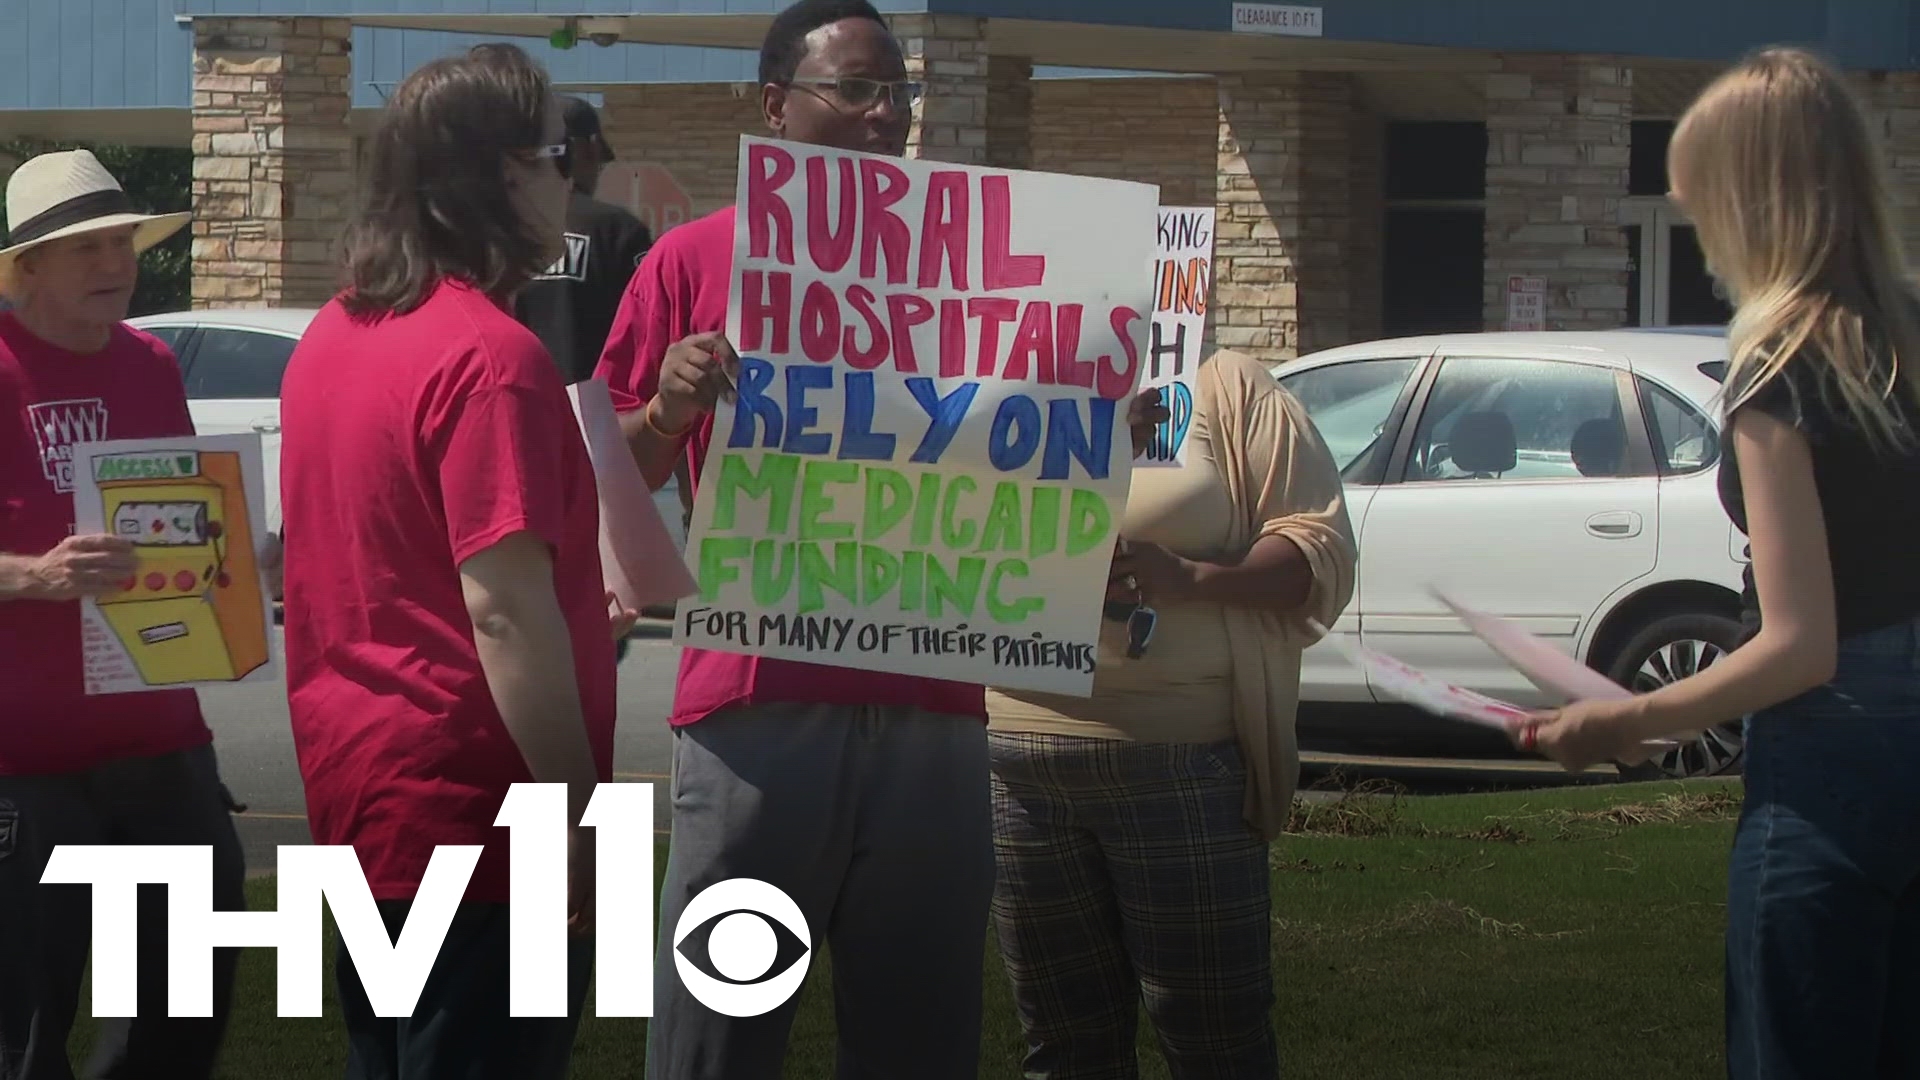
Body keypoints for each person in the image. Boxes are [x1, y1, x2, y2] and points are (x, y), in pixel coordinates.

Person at [592, 2, 1164, 1074]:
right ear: (775, 106)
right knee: (719, 1035)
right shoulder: (692, 260)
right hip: (758, 703)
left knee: (921, 1037)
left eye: (896, 91)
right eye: (853, 89)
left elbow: (1020, 457)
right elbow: (616, 475)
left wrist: (1092, 429)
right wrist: (666, 409)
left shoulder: (990, 269)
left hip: (936, 705)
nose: (883, 112)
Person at [1513, 47, 1920, 1080]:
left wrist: (1631, 716)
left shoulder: (1778, 366)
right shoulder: (1904, 338)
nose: (1702, 242)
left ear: (1755, 200)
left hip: (1831, 774)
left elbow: (1800, 645)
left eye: (1702, 211)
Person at [277, 44, 633, 1080]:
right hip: (478, 820)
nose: (575, 177)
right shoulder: (489, 358)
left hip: (364, 800)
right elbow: (505, 615)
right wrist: (573, 821)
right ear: (506, 174)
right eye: (562, 154)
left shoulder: (335, 336)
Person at [985, 350, 1357, 1078]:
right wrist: (1087, 440)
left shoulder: (1227, 385)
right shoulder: (997, 376)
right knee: (1062, 1047)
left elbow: (1316, 546)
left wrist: (1187, 576)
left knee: (1215, 1039)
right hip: (1016, 763)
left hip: (1182, 765)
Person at [0, 148, 246, 1080]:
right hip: (25, 770)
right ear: (25, 270)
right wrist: (35, 575)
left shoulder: (149, 364)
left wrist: (240, 559)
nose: (117, 263)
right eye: (87, 248)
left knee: (181, 1020)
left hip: (164, 739)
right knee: (27, 1038)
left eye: (125, 242)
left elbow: (186, 517)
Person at [513, 95, 654, 386]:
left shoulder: (506, 229)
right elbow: (648, 330)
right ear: (587, 149)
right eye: (599, 163)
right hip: (595, 408)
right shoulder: (618, 230)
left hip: (518, 400)